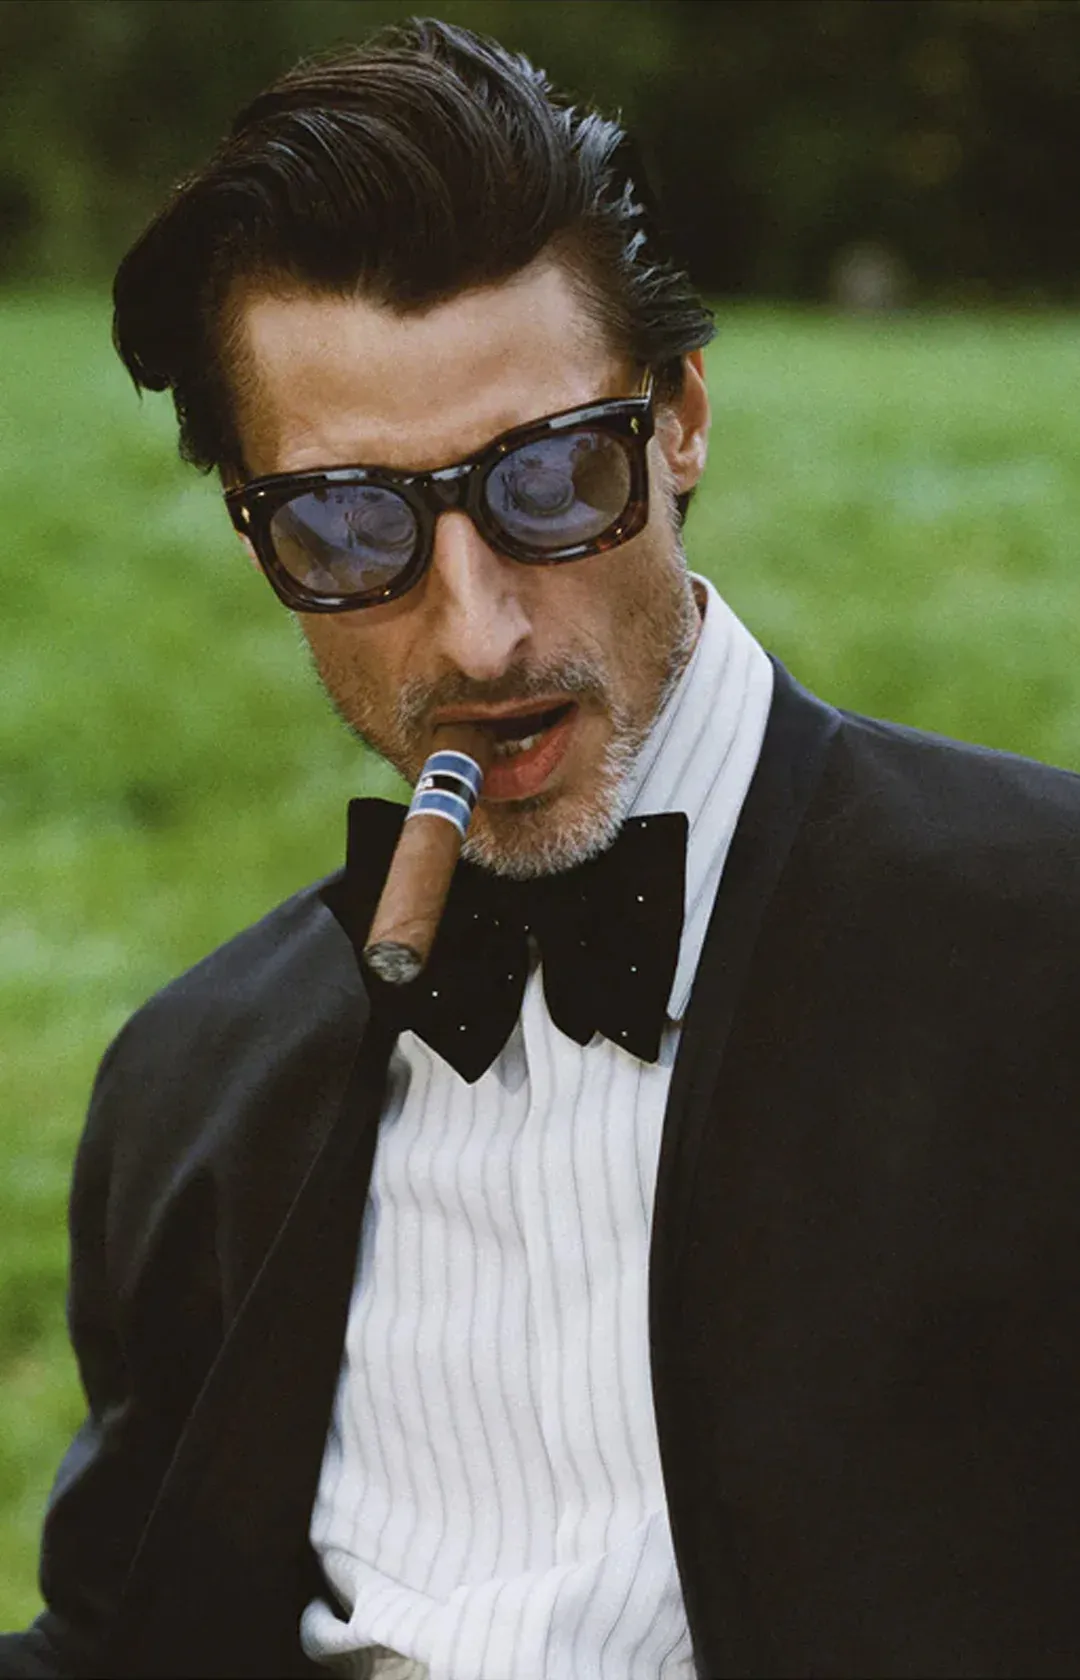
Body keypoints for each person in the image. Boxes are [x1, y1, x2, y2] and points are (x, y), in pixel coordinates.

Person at [3, 16, 1080, 1680]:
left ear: (680, 419)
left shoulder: (1045, 946)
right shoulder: (190, 1086)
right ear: (255, 532)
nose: (481, 631)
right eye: (349, 525)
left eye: (553, 481)